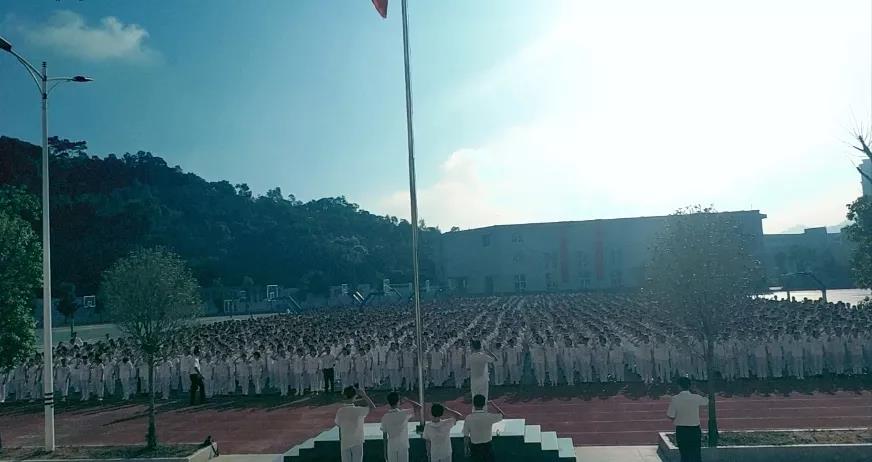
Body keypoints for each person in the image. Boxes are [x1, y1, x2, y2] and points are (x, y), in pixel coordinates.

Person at [666, 377, 707, 462]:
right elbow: (707, 400)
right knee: (696, 454)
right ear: (690, 386)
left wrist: (678, 419)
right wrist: (697, 390)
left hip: (682, 430)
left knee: (684, 454)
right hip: (695, 430)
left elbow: (670, 415)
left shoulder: (675, 398)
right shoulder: (696, 397)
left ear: (679, 386)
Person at [335, 385, 376, 462]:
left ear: (345, 396)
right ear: (355, 396)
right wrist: (364, 395)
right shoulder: (359, 410)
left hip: (345, 441)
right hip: (357, 441)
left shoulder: (340, 411)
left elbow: (339, 425)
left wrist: (341, 440)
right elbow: (373, 407)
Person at [463, 394, 503, 462]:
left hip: (475, 448)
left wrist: (466, 448)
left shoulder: (468, 418)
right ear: (484, 404)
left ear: (473, 404)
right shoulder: (489, 416)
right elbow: (502, 415)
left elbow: (466, 436)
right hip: (487, 447)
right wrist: (493, 404)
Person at [380, 391, 415, 462]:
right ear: (399, 401)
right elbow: (419, 407)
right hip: (403, 446)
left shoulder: (385, 417)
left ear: (388, 402)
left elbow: (384, 436)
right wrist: (408, 400)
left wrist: (385, 452)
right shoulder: (404, 413)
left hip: (391, 447)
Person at [467, 340, 495, 408]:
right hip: (483, 379)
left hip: (474, 379)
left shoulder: (470, 357)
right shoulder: (484, 356)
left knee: (475, 396)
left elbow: (468, 368)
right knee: (484, 396)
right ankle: (484, 410)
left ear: (473, 347)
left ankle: (475, 410)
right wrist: (488, 351)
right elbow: (495, 359)